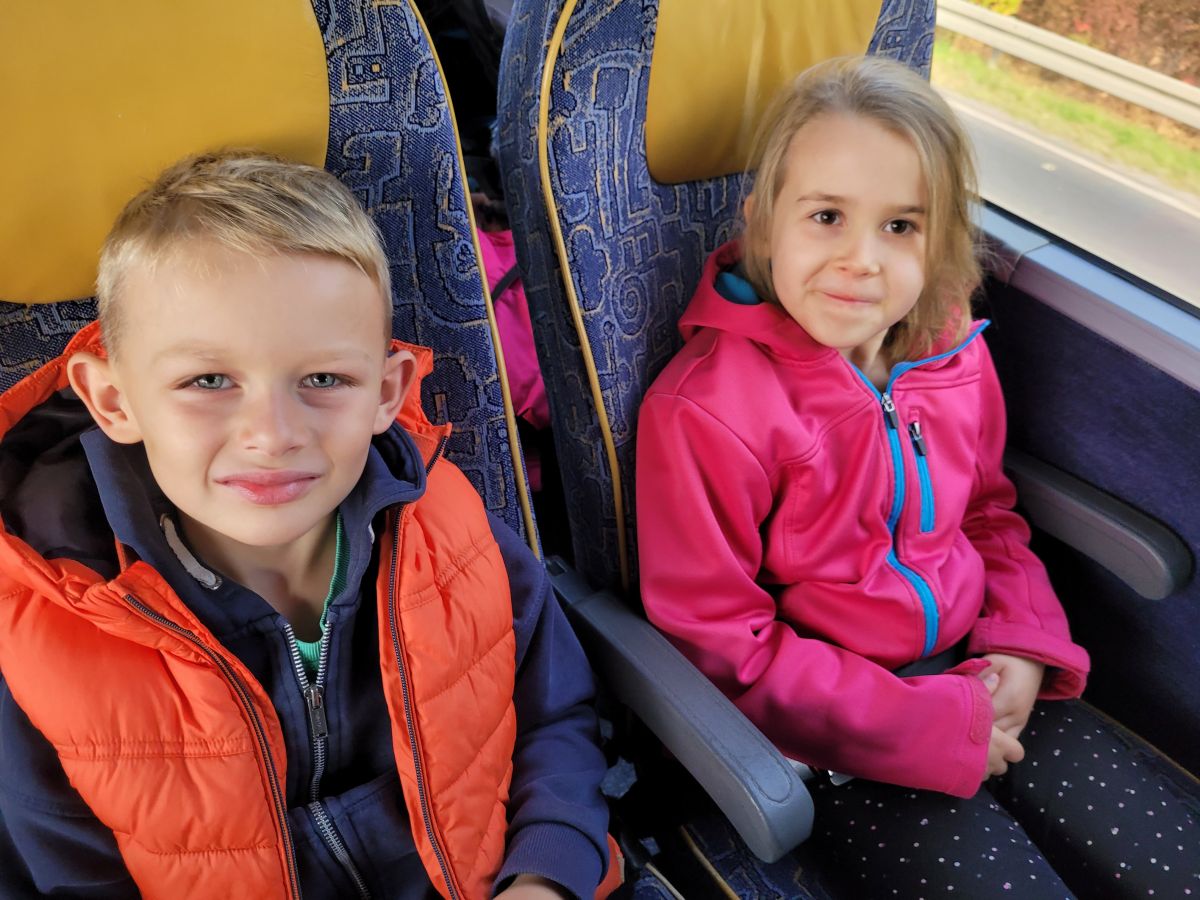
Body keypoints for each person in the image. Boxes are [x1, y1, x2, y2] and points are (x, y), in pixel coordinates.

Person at [636, 56, 1200, 898]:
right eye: (827, 216)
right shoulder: (705, 411)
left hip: (983, 671)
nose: (862, 259)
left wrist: (1021, 643)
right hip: (839, 742)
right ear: (764, 223)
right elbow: (719, 646)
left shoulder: (949, 352)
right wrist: (921, 724)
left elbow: (987, 516)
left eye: (901, 225)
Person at [0, 152, 615, 899]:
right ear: (113, 401)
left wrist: (546, 875)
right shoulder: (39, 637)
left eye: (324, 379)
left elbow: (553, 719)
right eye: (208, 381)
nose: (273, 434)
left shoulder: (452, 532)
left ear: (385, 392)